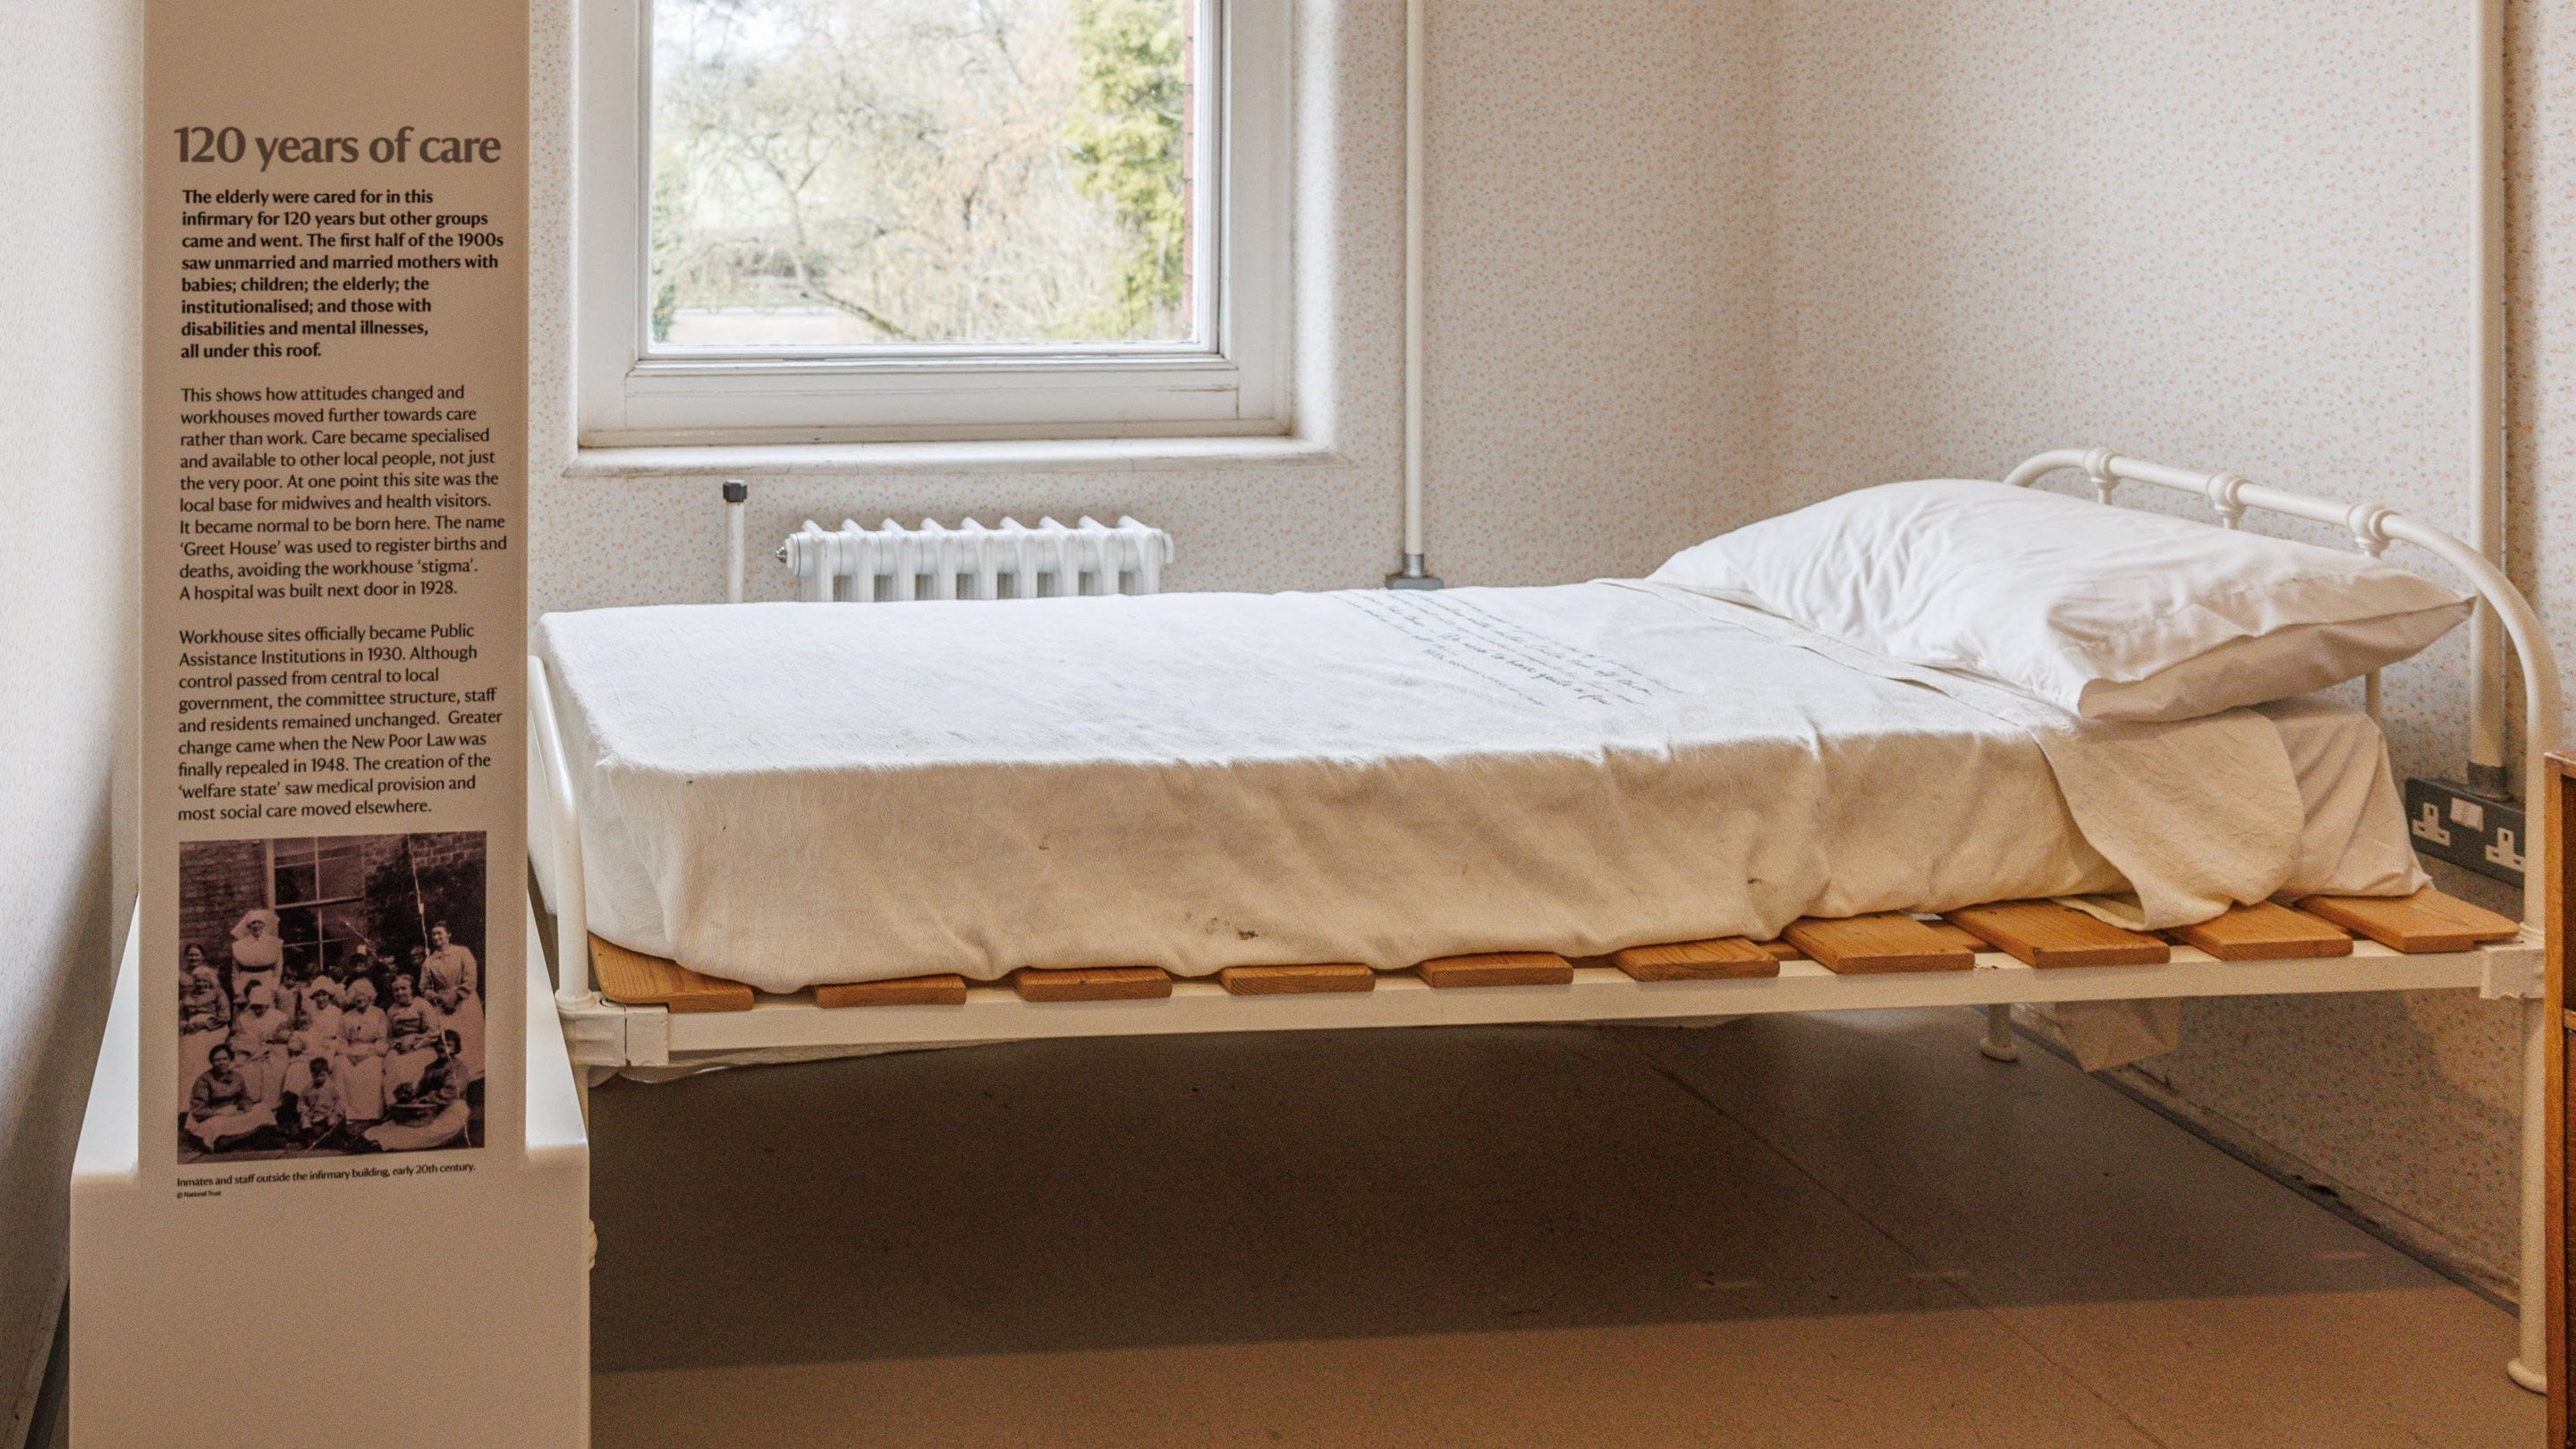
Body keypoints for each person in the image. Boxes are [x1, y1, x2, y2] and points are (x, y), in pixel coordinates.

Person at [364, 1030, 470, 1152]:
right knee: (399, 1125)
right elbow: (421, 1090)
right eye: (441, 1043)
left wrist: (428, 1098)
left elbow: (452, 1091)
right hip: (430, 1111)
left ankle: (384, 1143)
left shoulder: (458, 1067)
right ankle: (371, 1138)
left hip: (451, 1110)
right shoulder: (431, 1067)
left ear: (456, 1049)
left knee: (428, 1131)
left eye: (448, 1045)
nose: (443, 1047)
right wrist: (409, 1094)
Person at [419, 919, 484, 1085]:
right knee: (449, 1040)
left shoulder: (462, 952)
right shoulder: (429, 961)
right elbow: (424, 987)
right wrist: (440, 998)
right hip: (443, 1007)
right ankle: (453, 1082)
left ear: (448, 934)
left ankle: (475, 1085)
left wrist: (455, 996)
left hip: (466, 1002)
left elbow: (471, 979)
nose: (436, 937)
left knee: (470, 1041)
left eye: (439, 933)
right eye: (433, 934)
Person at [183, 1043, 268, 1154]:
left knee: (263, 1108)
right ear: (212, 1062)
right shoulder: (204, 1080)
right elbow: (198, 1110)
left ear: (230, 1060)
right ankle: (245, 1138)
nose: (221, 1063)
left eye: (225, 1059)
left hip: (233, 1113)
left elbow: (245, 1097)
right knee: (217, 1125)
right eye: (217, 1060)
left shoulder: (236, 1077)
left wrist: (244, 1107)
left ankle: (242, 1138)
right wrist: (220, 1112)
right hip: (212, 1116)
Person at [178, 945, 231, 1117]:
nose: (201, 984)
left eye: (204, 981)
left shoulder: (218, 993)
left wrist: (203, 1025)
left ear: (210, 980)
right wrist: (186, 1024)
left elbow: (224, 1016)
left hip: (213, 1029)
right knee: (187, 1061)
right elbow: (180, 1015)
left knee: (204, 1059)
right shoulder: (189, 996)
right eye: (198, 981)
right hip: (191, 1031)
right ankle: (186, 1107)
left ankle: (210, 1102)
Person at [227, 980, 292, 1108]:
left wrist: (272, 1039)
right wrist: (252, 1046)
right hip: (251, 1052)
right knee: (247, 1069)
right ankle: (251, 1103)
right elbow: (239, 1038)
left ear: (267, 1005)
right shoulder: (245, 1018)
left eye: (260, 1006)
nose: (257, 1010)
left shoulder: (279, 1017)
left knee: (274, 1070)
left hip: (274, 1051)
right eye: (254, 1006)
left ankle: (271, 1106)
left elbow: (286, 1036)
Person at [335, 978, 389, 1124]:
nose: (360, 998)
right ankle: (346, 1113)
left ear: (369, 996)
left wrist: (370, 1053)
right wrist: (348, 1054)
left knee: (373, 1065)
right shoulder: (346, 1017)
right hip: (351, 1051)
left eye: (363, 994)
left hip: (372, 1050)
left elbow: (382, 1038)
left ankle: (370, 1114)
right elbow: (342, 1039)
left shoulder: (379, 1014)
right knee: (340, 1063)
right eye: (356, 996)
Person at [382, 974, 437, 1099]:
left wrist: (415, 1044)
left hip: (422, 1048)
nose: (400, 993)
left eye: (403, 988)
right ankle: (393, 1104)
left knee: (408, 1064)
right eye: (396, 990)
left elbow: (433, 1032)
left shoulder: (422, 1005)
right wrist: (396, 1045)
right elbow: (389, 1035)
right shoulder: (391, 1010)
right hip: (399, 1048)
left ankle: (411, 1100)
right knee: (390, 1062)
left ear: (412, 989)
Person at [292, 1054, 348, 1148]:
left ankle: (334, 1139)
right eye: (316, 1076)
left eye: (322, 1075)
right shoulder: (309, 1088)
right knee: (305, 1120)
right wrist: (306, 1110)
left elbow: (340, 1100)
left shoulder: (332, 1087)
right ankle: (308, 1138)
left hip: (328, 1113)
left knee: (332, 1120)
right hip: (314, 1114)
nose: (319, 1079)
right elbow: (301, 1101)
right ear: (312, 1074)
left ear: (327, 1073)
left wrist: (334, 1110)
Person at [229, 908, 284, 1005]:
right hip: (245, 981)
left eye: (259, 922)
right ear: (248, 926)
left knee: (266, 1009)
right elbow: (235, 971)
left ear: (264, 925)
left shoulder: (274, 943)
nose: (256, 926)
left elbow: (278, 969)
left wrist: (274, 987)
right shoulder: (239, 945)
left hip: (267, 979)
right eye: (253, 923)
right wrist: (238, 991)